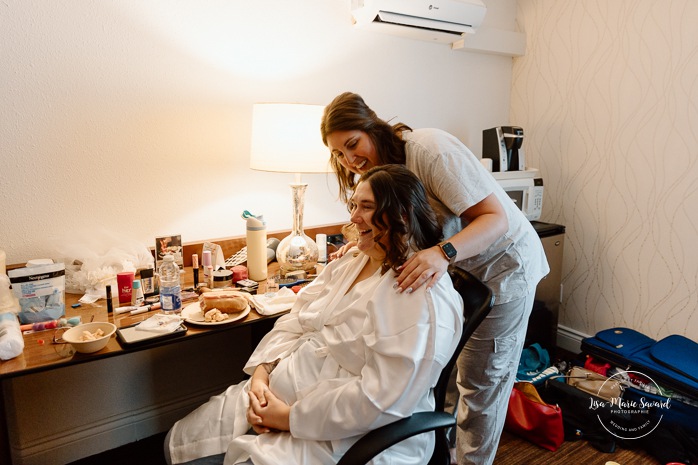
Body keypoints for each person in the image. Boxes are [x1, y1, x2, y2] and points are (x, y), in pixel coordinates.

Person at [164, 164, 464, 465]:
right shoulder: (352, 261)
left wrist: (289, 418)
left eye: (367, 207)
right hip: (278, 388)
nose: (353, 217)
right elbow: (296, 318)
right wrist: (261, 375)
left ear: (402, 215)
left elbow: (382, 398)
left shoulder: (419, 295)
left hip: (346, 429)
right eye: (354, 205)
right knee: (177, 443)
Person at [321, 92, 550, 465]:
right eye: (339, 154)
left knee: (481, 384)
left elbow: (495, 219)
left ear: (372, 127)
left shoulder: (430, 151)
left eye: (352, 144)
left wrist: (441, 253)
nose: (350, 160)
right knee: (441, 378)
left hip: (503, 267)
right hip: (456, 270)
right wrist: (362, 242)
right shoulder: (382, 174)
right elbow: (400, 226)